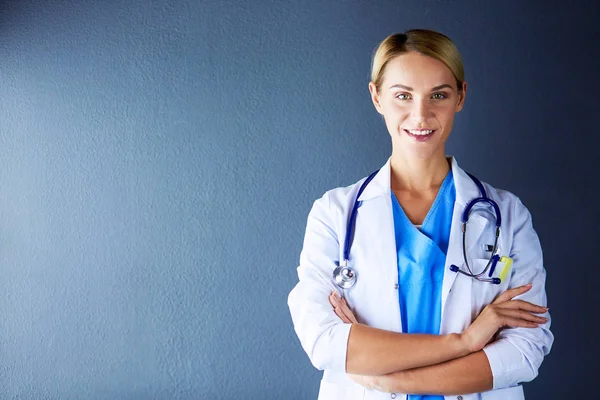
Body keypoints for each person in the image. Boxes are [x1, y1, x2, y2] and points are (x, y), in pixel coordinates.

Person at [287, 29, 553, 400]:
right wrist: (465, 341)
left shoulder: (508, 215)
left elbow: (525, 350)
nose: (421, 115)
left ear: (460, 96)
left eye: (438, 95)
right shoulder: (334, 214)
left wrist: (389, 378)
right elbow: (324, 341)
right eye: (402, 96)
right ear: (376, 97)